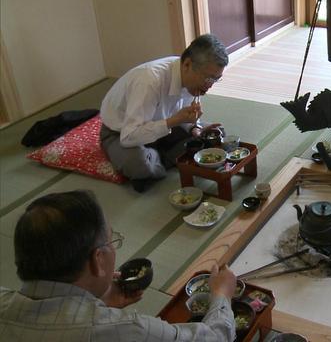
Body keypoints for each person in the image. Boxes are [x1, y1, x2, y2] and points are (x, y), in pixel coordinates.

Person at [0, 190, 238, 341]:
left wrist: (97, 303)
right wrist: (221, 295)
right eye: (112, 240)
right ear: (98, 260)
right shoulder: (125, 329)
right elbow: (214, 339)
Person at [100, 34, 228, 192]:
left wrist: (195, 128)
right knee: (139, 165)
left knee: (216, 133)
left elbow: (183, 118)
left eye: (216, 79)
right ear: (187, 64)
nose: (210, 86)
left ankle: (158, 158)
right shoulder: (149, 81)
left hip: (164, 127)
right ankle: (160, 160)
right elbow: (128, 137)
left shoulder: (191, 78)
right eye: (208, 79)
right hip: (120, 133)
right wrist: (173, 122)